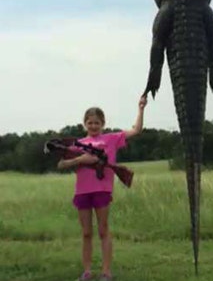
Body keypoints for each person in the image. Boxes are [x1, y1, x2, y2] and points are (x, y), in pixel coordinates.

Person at [57, 95, 148, 281]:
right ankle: (87, 272)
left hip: (102, 190)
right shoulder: (78, 144)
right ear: (84, 124)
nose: (93, 126)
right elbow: (60, 165)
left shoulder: (112, 138)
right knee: (86, 233)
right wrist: (80, 160)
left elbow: (136, 130)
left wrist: (141, 108)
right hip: (82, 191)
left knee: (103, 230)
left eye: (97, 122)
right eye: (90, 122)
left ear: (103, 123)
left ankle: (106, 273)